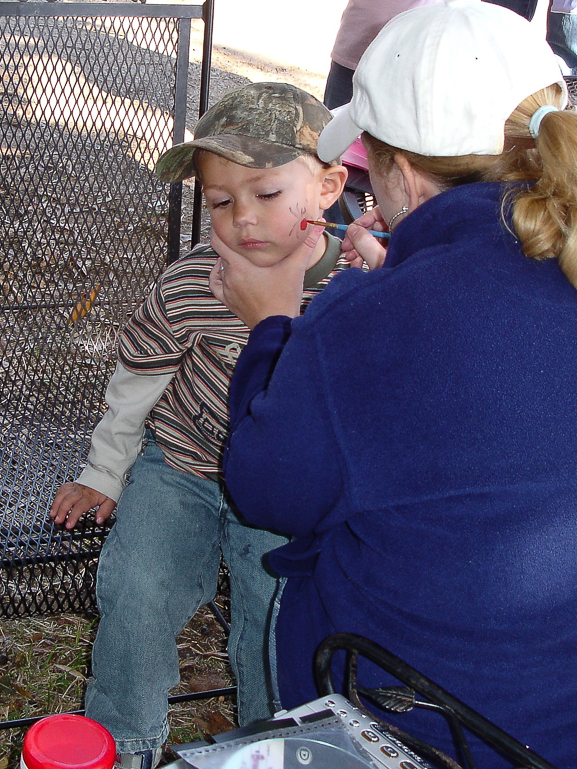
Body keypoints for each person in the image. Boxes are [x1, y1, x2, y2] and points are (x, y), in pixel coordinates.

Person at [210, 2, 577, 766]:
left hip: (438, 720)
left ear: (401, 176)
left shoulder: (365, 318)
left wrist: (274, 325)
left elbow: (266, 491)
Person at [49, 81, 348, 769]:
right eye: (220, 200)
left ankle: (268, 745)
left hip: (284, 492)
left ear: (328, 185)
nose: (242, 218)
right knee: (138, 589)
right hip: (182, 464)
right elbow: (138, 379)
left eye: (267, 193)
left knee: (273, 619)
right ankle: (123, 742)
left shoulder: (353, 289)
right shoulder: (193, 280)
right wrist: (104, 470)